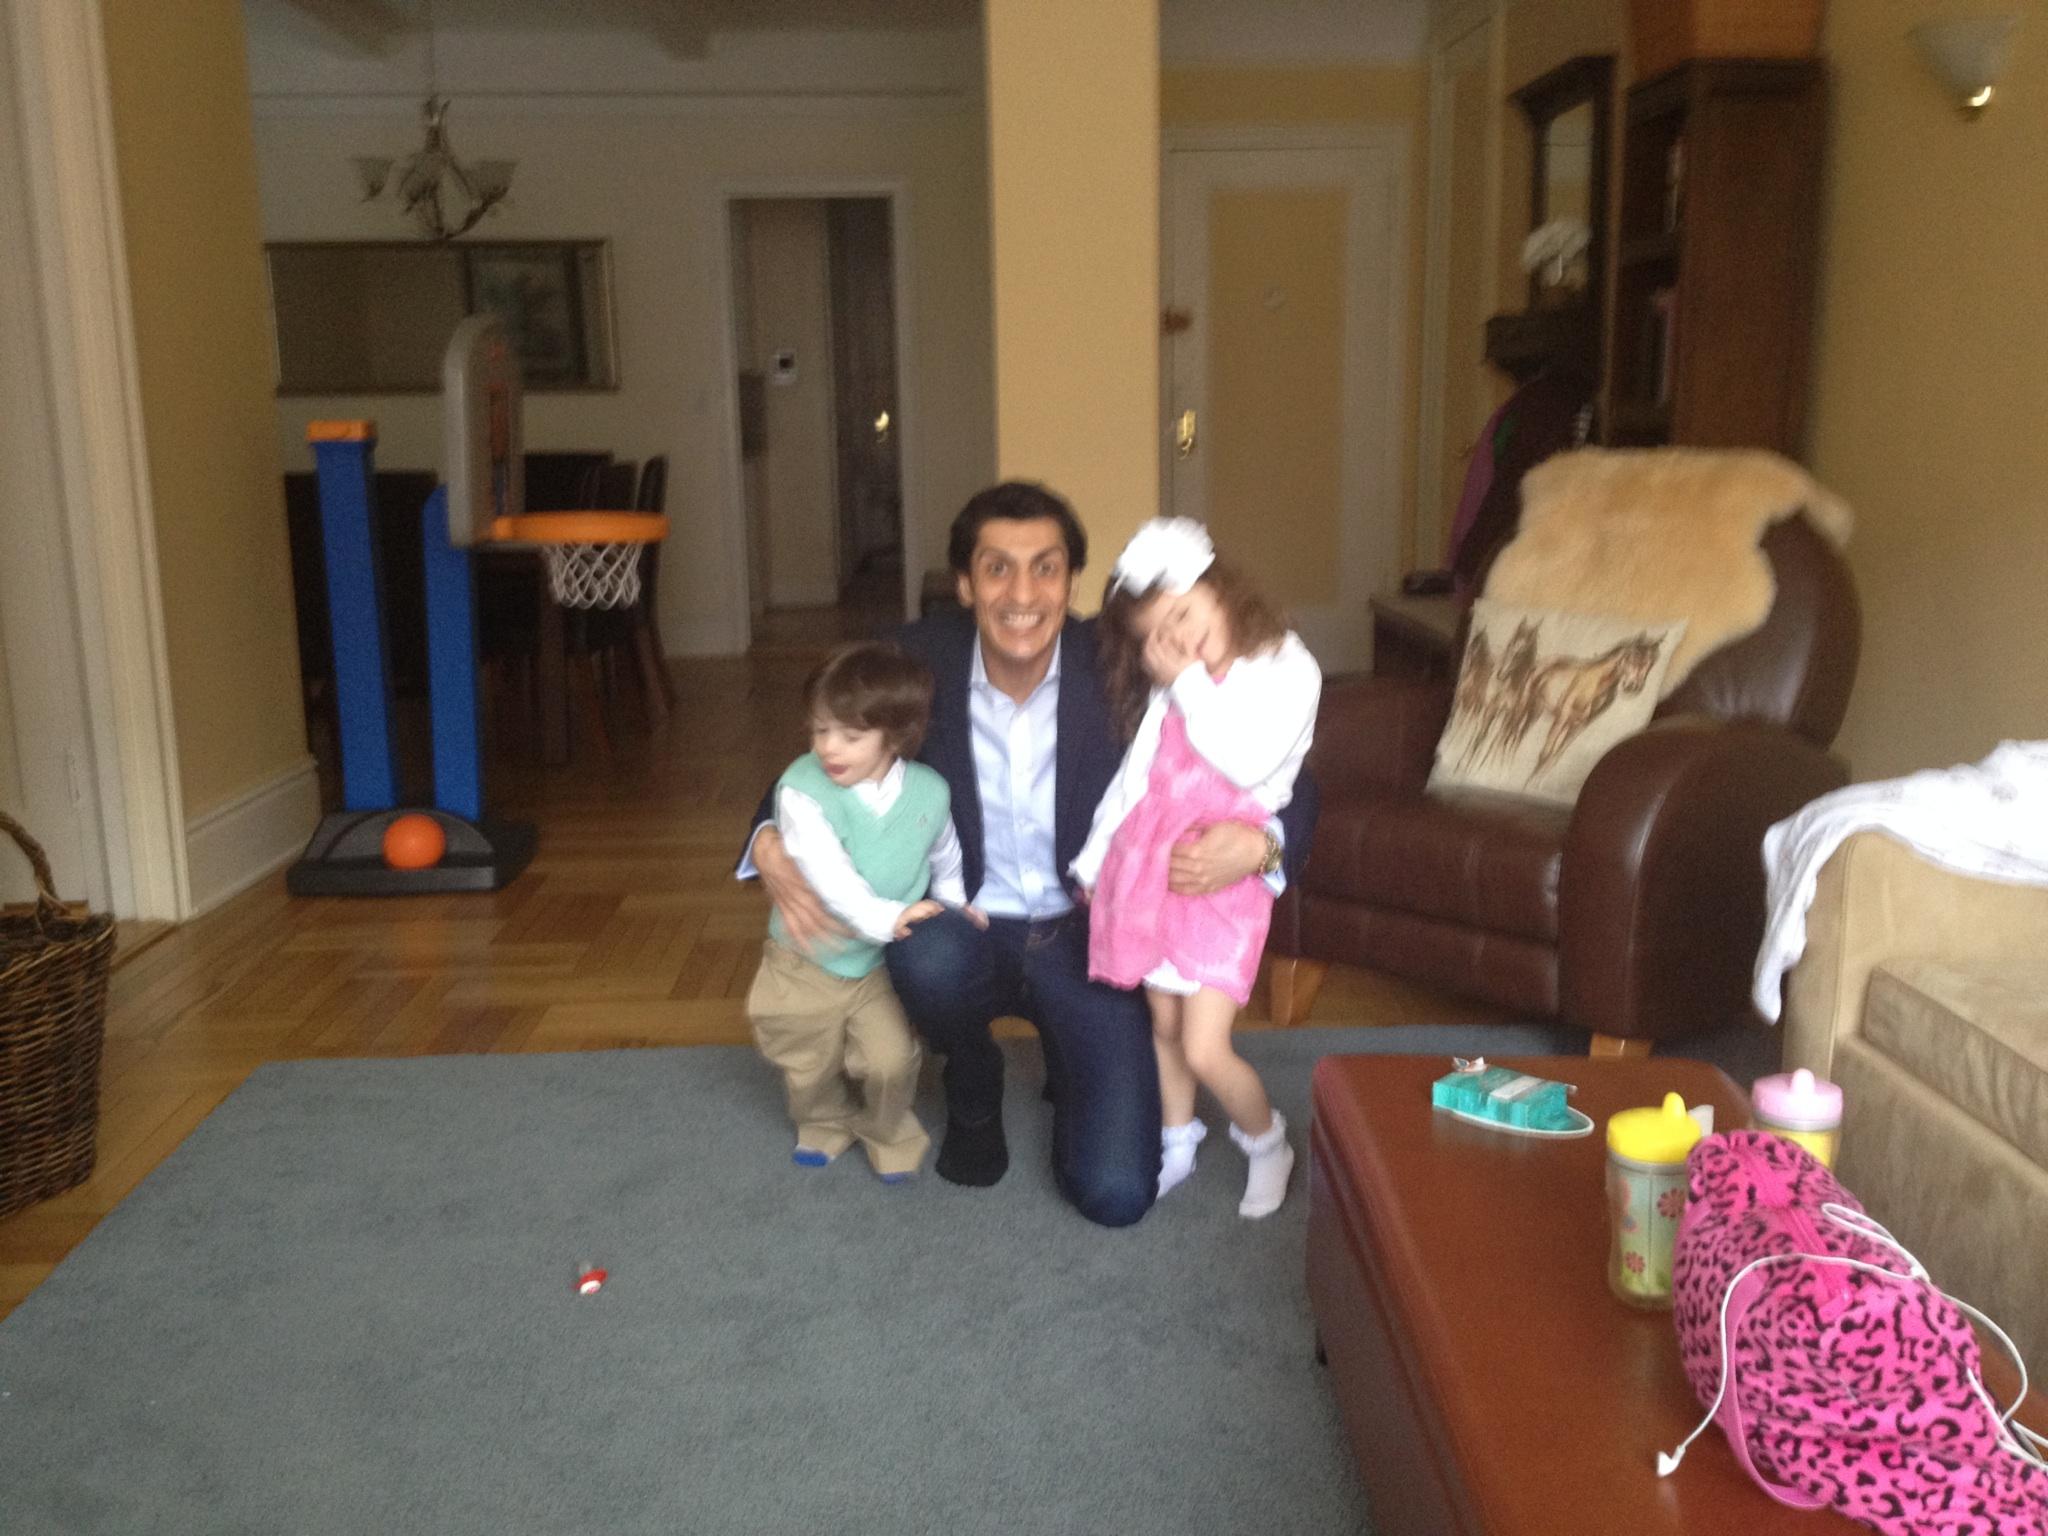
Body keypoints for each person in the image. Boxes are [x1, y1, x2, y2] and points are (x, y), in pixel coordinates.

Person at [742, 482, 1317, 1228]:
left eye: (1045, 568)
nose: (1022, 594)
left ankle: (1071, 1060)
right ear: (964, 584)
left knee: (1115, 1193)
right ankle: (972, 1076)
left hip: (1089, 934)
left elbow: (1292, 777)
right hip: (971, 923)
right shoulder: (915, 658)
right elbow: (820, 755)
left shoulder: (1126, 656)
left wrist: (1262, 845)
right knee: (924, 954)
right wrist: (767, 838)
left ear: (1071, 582)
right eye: (997, 569)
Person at [1071, 519, 1322, 1218]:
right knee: (1163, 1021)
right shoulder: (1173, 688)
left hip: (1226, 883)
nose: (1178, 639)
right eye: (1159, 634)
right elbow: (1136, 782)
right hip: (1155, 874)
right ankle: (1178, 1137)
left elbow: (1245, 761)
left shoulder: (1286, 666)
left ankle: (1267, 1142)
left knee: (1206, 1045)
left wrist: (1182, 681)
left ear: (1220, 589)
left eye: (1183, 614)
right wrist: (1094, 862)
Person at [744, 642, 982, 1182]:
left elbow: (944, 852)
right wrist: (888, 919)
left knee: (890, 1060)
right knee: (807, 1061)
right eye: (819, 730)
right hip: (805, 959)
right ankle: (823, 1120)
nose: (828, 747)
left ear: (895, 737)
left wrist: (954, 905)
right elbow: (831, 878)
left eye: (850, 736)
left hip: (877, 963)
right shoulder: (802, 790)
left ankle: (887, 1128)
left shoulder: (929, 792)